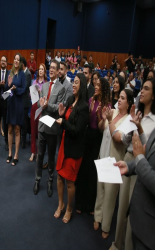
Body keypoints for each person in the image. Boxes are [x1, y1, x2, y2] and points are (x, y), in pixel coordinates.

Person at [110, 78, 155, 250]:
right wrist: (136, 127)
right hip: (131, 161)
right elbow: (128, 141)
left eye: (146, 88)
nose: (141, 91)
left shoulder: (153, 120)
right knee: (122, 207)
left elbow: (145, 153)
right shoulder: (138, 115)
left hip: (143, 168)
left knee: (134, 209)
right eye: (141, 88)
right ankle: (117, 243)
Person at [94, 89, 134, 239]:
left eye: (123, 98)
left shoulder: (129, 120)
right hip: (103, 154)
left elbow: (117, 138)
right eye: (120, 97)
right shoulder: (113, 111)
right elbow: (101, 128)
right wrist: (101, 117)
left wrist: (109, 120)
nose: (120, 100)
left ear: (129, 103)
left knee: (111, 194)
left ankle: (105, 224)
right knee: (100, 189)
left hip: (115, 161)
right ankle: (97, 217)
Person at [54, 73, 89, 223]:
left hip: (74, 149)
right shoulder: (69, 100)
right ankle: (60, 204)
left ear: (81, 86)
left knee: (69, 182)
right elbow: (65, 118)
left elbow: (76, 130)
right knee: (59, 177)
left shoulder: (84, 107)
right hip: (64, 143)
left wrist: (63, 123)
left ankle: (69, 208)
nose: (73, 85)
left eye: (76, 83)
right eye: (72, 82)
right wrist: (62, 114)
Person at [114, 130, 155, 250]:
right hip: (139, 215)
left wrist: (139, 159)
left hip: (150, 231)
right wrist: (129, 166)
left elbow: (141, 158)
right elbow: (147, 158)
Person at [75, 77, 110, 214]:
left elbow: (101, 128)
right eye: (95, 84)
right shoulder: (91, 101)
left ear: (104, 88)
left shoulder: (106, 105)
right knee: (83, 169)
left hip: (97, 138)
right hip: (87, 135)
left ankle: (90, 205)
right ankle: (80, 202)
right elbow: (87, 122)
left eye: (98, 85)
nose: (95, 87)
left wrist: (100, 117)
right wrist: (90, 112)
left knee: (92, 171)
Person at [33, 59, 65, 197]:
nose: (50, 70)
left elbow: (59, 108)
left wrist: (47, 106)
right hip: (42, 125)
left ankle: (50, 181)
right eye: (49, 67)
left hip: (52, 127)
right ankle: (37, 179)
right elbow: (41, 104)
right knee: (40, 156)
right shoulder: (44, 86)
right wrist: (41, 104)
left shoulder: (61, 88)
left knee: (51, 157)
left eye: (53, 68)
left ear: (58, 71)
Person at [5, 53, 26, 166]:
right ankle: (9, 153)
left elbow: (24, 89)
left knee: (17, 129)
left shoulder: (22, 74)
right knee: (9, 129)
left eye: (18, 59)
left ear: (20, 62)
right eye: (15, 59)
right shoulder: (10, 72)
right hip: (11, 103)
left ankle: (16, 154)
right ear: (13, 61)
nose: (16, 61)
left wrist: (15, 88)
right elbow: (5, 89)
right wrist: (9, 86)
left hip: (18, 104)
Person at [29, 64, 47, 162]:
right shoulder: (34, 82)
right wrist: (33, 92)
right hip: (33, 107)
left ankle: (39, 152)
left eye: (42, 69)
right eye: (39, 69)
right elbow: (30, 96)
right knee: (33, 131)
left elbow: (46, 98)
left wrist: (40, 92)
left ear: (44, 71)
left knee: (40, 132)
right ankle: (33, 152)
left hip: (41, 109)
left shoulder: (46, 84)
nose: (40, 71)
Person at [21, 57, 32, 148]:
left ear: (23, 64)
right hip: (20, 100)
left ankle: (23, 141)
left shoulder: (28, 74)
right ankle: (21, 138)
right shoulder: (21, 73)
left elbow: (25, 87)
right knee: (20, 121)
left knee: (24, 122)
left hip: (25, 101)